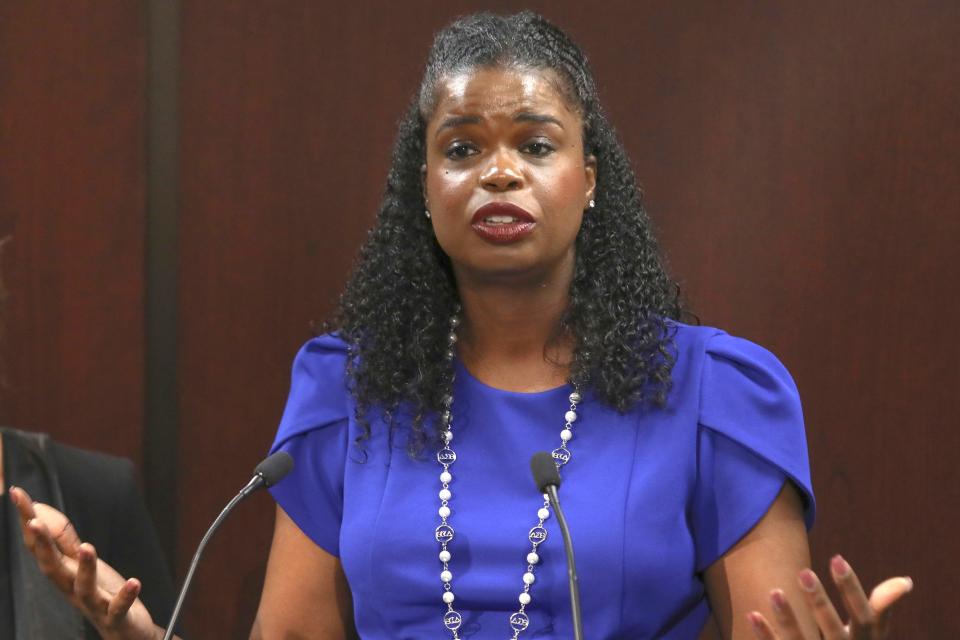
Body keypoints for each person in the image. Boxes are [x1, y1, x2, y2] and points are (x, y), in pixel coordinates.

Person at [14, 11, 912, 640]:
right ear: (424, 185)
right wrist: (135, 636)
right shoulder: (348, 394)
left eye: (535, 142)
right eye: (461, 148)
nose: (498, 173)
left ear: (589, 180)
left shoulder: (715, 396)